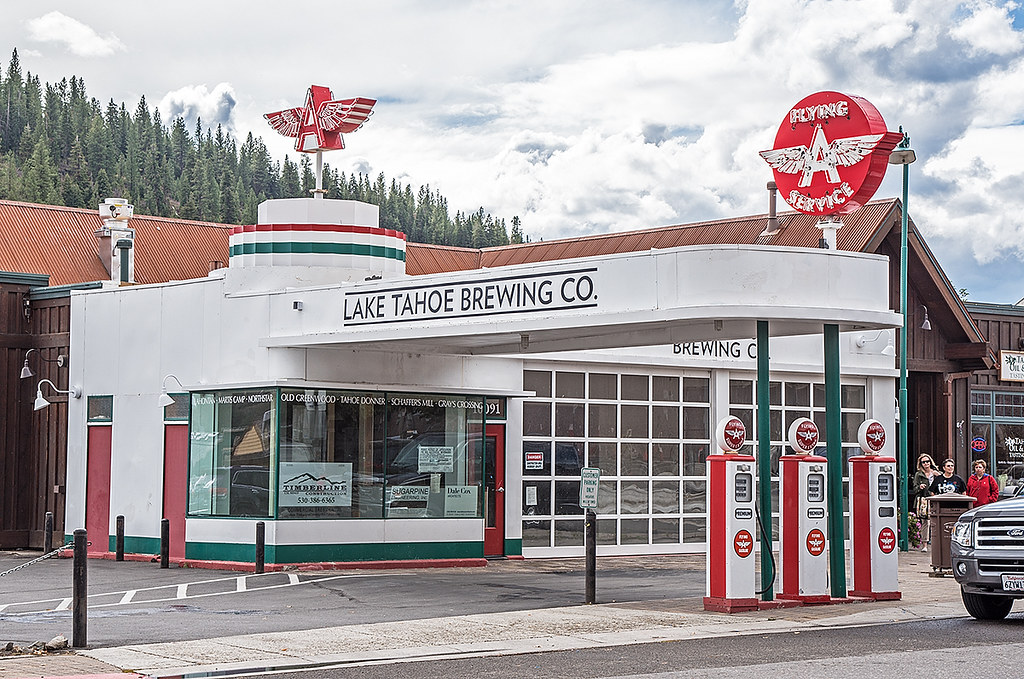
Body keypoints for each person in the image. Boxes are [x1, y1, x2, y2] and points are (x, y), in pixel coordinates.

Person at [913, 454, 939, 551]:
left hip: (935, 498)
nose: (926, 463)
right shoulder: (919, 474)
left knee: (936, 521)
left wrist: (938, 475)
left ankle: (936, 543)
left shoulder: (936, 473)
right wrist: (920, 487)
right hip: (923, 499)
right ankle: (925, 545)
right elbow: (914, 488)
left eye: (927, 461)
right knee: (925, 522)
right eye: (923, 462)